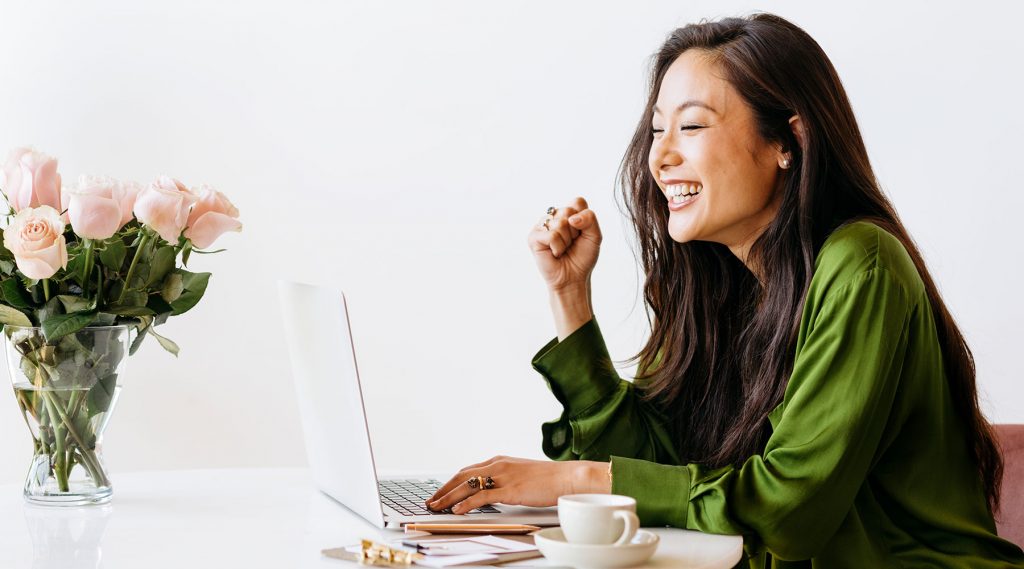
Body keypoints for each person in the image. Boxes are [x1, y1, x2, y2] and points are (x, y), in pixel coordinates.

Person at [426, 13, 1024, 568]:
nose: (660, 155)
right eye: (657, 129)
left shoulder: (862, 265)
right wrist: (570, 298)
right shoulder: (724, 285)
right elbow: (665, 471)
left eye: (691, 126)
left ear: (787, 141)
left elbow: (787, 510)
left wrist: (573, 480)